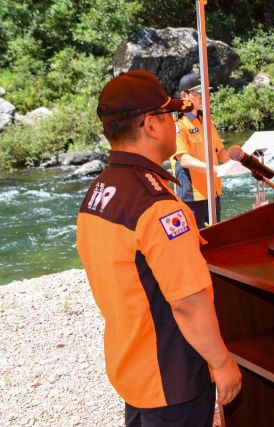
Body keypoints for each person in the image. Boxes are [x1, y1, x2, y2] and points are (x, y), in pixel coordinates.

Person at [76, 70, 242, 427]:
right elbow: (187, 302)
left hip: (133, 364)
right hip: (172, 375)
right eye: (168, 115)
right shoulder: (158, 206)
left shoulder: (99, 191)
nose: (174, 122)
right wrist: (222, 363)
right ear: (151, 126)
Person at [171, 73, 231, 228]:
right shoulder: (178, 125)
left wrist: (243, 160)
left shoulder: (206, 121)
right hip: (192, 196)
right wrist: (215, 169)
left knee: (214, 236)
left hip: (213, 192)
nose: (203, 97)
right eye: (198, 93)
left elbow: (220, 152)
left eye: (205, 93)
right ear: (184, 96)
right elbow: (184, 159)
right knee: (194, 238)